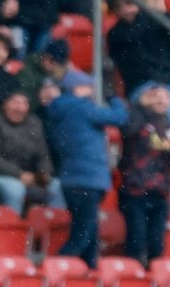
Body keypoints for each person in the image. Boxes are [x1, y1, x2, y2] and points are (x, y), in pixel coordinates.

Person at [46, 70, 128, 268]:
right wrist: (114, 98)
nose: (92, 91)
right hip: (89, 179)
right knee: (82, 236)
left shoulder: (59, 110)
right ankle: (58, 267)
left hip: (71, 179)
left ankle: (87, 273)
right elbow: (120, 118)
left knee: (90, 235)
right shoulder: (82, 108)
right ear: (77, 88)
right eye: (88, 87)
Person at [117, 84, 170, 266]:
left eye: (166, 97)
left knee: (156, 245)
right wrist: (140, 106)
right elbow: (127, 130)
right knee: (137, 241)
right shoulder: (138, 118)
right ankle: (132, 278)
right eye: (156, 95)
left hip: (160, 193)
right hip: (135, 191)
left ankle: (153, 280)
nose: (161, 100)